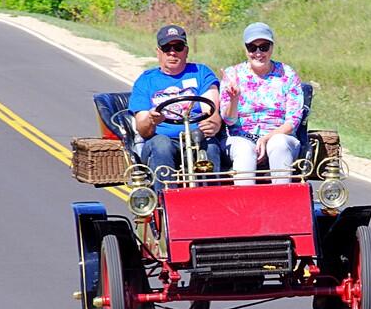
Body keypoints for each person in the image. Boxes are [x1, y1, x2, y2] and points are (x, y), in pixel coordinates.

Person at [129, 24, 223, 190]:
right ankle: (165, 202)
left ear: (186, 51)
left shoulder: (201, 72)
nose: (172, 52)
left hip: (196, 136)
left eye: (178, 47)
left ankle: (210, 201)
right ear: (158, 52)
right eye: (167, 48)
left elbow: (211, 108)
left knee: (210, 146)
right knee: (161, 145)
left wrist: (213, 123)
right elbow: (142, 128)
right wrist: (152, 119)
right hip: (162, 139)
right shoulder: (146, 80)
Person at [220, 22, 304, 185]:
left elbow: (293, 121)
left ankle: (282, 200)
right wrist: (234, 99)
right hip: (240, 137)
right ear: (245, 49)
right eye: (252, 47)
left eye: (264, 47)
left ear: (272, 47)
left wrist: (266, 139)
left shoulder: (287, 74)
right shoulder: (232, 75)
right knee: (245, 149)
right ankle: (245, 204)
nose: (258, 53)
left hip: (279, 135)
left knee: (278, 143)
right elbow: (229, 121)